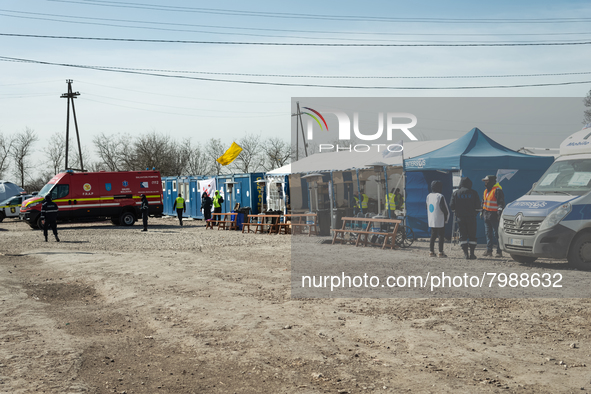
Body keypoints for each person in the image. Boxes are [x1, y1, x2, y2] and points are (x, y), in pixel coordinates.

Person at [450, 177, 481, 259]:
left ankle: (465, 254)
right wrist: (474, 213)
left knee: (463, 236)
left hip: (460, 218)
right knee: (472, 236)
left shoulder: (456, 193)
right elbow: (478, 207)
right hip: (471, 218)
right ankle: (472, 254)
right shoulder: (474, 193)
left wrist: (457, 212)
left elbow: (452, 206)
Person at [481, 175, 506, 257]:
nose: (485, 183)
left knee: (497, 234)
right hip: (487, 215)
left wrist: (499, 212)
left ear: (491, 181)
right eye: (485, 181)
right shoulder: (485, 191)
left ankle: (499, 251)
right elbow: (483, 202)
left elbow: (501, 203)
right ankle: (489, 250)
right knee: (488, 234)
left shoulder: (497, 190)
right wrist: (482, 211)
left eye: (486, 181)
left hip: (494, 215)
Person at [426, 181, 449, 257]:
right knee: (441, 236)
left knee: (433, 235)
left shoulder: (428, 196)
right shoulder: (440, 196)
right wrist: (446, 217)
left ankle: (431, 251)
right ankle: (440, 252)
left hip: (432, 218)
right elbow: (443, 208)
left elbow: (427, 206)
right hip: (439, 218)